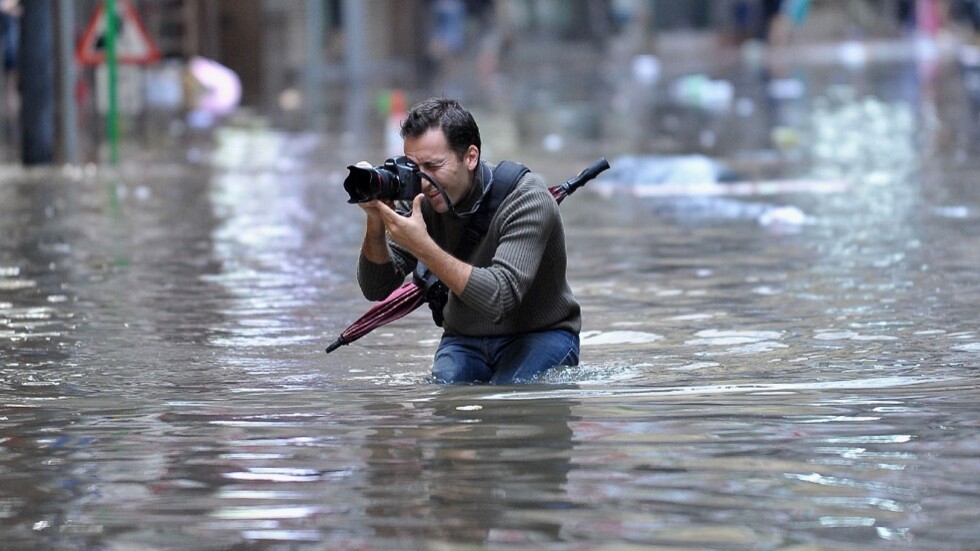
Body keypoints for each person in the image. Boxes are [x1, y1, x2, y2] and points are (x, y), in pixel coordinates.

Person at [355, 97, 581, 384]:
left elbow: (501, 297)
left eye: (433, 166)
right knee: (446, 403)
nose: (422, 180)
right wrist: (376, 220)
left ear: (470, 157)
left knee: (513, 403)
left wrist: (422, 246)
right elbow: (376, 287)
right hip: (464, 339)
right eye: (413, 168)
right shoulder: (419, 200)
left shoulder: (526, 198)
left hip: (540, 334)